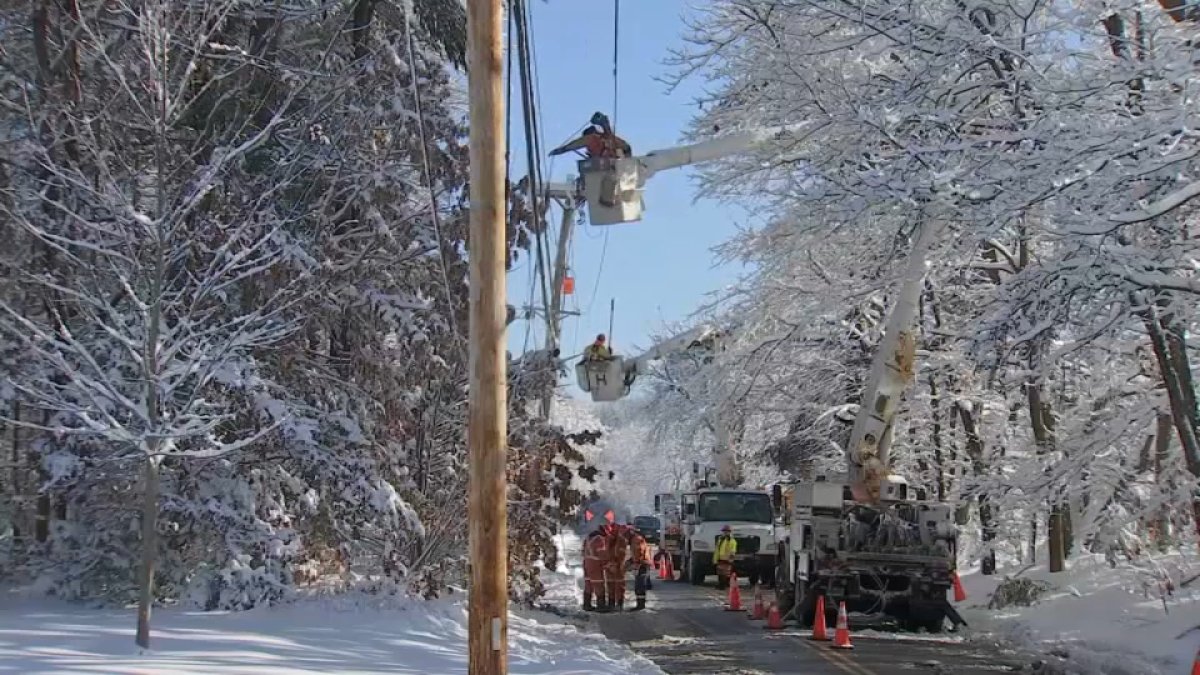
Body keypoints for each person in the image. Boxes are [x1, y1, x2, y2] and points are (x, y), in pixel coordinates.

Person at [549, 112, 632, 159]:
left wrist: (562, 149)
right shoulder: (601, 140)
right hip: (607, 165)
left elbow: (576, 144)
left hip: (614, 165)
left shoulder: (595, 139)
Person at [582, 524, 611, 611]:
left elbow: (583, 551)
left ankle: (586, 604)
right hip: (595, 565)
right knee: (599, 584)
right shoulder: (599, 539)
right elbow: (601, 553)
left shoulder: (588, 538)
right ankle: (601, 606)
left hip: (586, 563)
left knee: (588, 584)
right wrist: (607, 564)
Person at [628, 527, 653, 610]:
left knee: (639, 586)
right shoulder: (636, 539)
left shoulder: (636, 540)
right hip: (643, 563)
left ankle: (640, 605)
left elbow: (639, 553)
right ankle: (640, 604)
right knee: (640, 585)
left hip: (642, 564)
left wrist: (633, 562)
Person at [606, 523, 629, 610]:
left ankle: (613, 604)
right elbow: (618, 552)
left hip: (613, 564)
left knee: (613, 584)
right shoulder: (620, 539)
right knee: (617, 584)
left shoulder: (611, 538)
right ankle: (617, 604)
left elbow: (612, 551)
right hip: (616, 564)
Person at [713, 524, 738, 590]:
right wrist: (715, 559)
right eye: (724, 531)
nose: (725, 532)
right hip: (720, 559)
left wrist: (731, 558)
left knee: (726, 573)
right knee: (720, 573)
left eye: (727, 531)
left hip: (727, 560)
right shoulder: (720, 539)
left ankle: (724, 585)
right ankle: (721, 584)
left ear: (730, 532)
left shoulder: (732, 541)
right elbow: (717, 550)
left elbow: (733, 550)